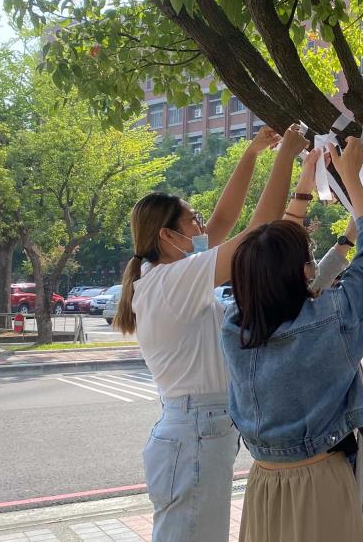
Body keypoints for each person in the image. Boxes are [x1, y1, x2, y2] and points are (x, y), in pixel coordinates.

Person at [114, 124, 308, 542]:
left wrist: (253, 153)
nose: (203, 225)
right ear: (168, 236)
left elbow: (223, 221)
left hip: (198, 429)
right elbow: (257, 232)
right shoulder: (171, 282)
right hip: (196, 431)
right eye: (192, 220)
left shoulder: (169, 273)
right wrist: (286, 157)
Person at [221, 137, 363, 542]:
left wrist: (305, 189)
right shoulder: (332, 323)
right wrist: (352, 181)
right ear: (303, 271)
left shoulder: (236, 325)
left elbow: (279, 271)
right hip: (319, 482)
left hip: (263, 483)